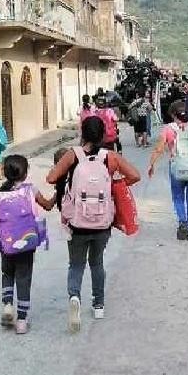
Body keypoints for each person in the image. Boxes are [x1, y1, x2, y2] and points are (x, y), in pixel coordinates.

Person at [46, 116, 141, 332]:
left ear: (82, 132)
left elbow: (51, 178)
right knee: (97, 263)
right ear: (103, 134)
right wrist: (113, 185)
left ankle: (75, 298)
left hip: (77, 223)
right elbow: (135, 176)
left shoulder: (73, 155)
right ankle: (99, 305)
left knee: (76, 264)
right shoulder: (111, 157)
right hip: (102, 222)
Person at [0, 155, 56, 334]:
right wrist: (57, 194)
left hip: (6, 245)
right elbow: (47, 205)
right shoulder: (31, 191)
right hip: (26, 244)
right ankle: (21, 320)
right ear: (25, 173)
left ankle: (8, 304)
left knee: (7, 273)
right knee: (24, 278)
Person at [146, 100, 188, 242]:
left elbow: (158, 149)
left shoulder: (168, 129)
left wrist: (151, 164)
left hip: (177, 169)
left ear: (173, 114)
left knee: (178, 197)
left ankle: (182, 222)